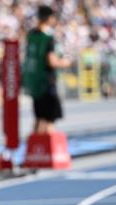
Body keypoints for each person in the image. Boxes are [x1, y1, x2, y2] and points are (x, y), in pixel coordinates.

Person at [22, 5, 71, 135]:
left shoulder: (31, 36)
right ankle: (46, 146)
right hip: (46, 82)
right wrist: (65, 63)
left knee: (38, 117)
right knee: (49, 120)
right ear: (49, 18)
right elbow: (51, 61)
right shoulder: (48, 38)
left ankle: (33, 144)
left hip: (34, 82)